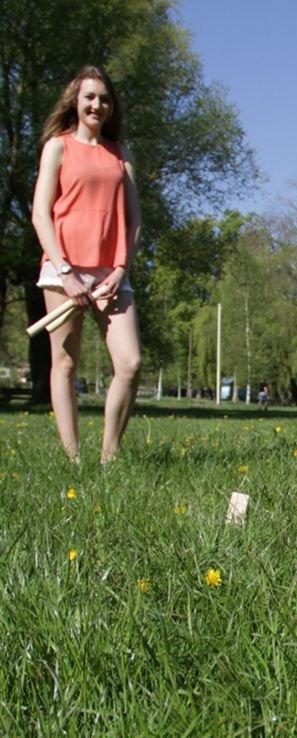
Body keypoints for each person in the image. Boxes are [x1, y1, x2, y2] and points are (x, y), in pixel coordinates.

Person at [31, 66, 142, 464]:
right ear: (75, 102)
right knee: (64, 363)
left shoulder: (120, 154)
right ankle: (73, 460)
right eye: (90, 97)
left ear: (112, 107)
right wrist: (65, 271)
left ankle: (109, 456)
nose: (97, 104)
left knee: (130, 364)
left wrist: (120, 270)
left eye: (104, 98)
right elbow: (41, 214)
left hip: (111, 274)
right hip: (64, 270)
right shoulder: (57, 147)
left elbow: (134, 221)